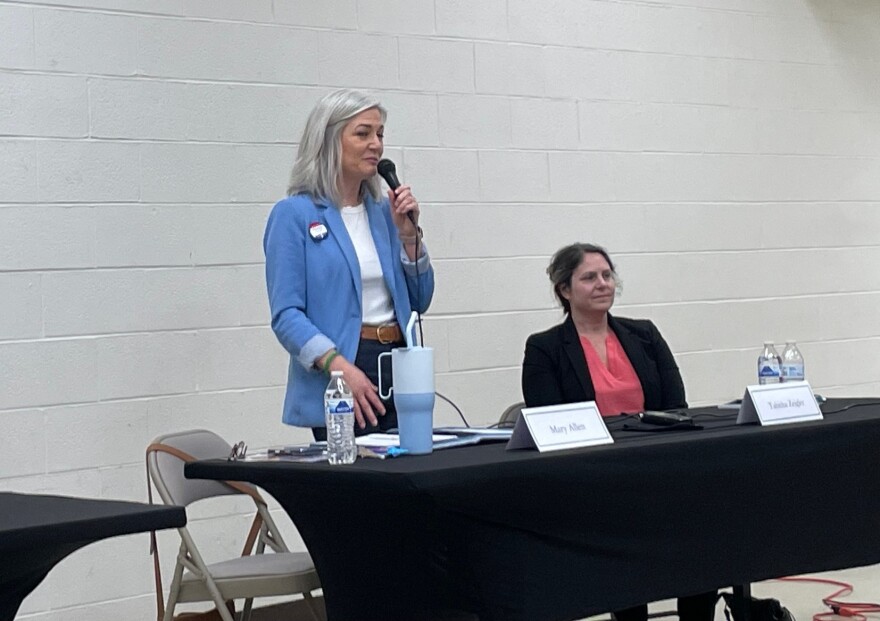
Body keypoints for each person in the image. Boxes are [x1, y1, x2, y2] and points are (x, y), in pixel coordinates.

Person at [521, 242, 716, 621]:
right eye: (589, 277)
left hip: (656, 465)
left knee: (703, 528)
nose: (602, 284)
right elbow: (550, 423)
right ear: (565, 289)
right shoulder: (545, 348)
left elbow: (676, 405)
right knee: (624, 540)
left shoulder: (644, 334)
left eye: (607, 275)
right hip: (594, 475)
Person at [264, 89, 434, 438]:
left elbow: (420, 301)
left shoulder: (384, 215)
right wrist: (340, 368)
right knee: (360, 483)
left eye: (380, 134)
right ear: (328, 140)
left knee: (406, 478)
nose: (376, 144)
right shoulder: (294, 214)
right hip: (342, 368)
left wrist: (409, 238)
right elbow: (286, 315)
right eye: (363, 133)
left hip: (398, 362)